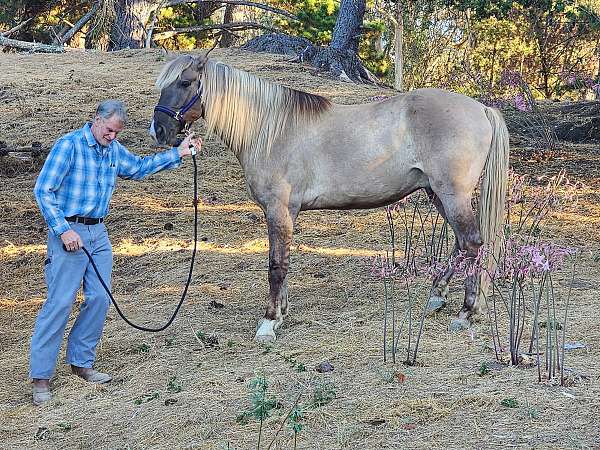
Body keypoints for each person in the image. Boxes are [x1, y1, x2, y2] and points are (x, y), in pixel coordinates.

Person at [30, 99, 201, 406]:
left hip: (98, 233)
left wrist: (178, 153)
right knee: (60, 303)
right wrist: (63, 229)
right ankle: (41, 377)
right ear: (96, 120)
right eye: (109, 130)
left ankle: (82, 362)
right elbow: (43, 190)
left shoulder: (113, 150)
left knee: (99, 298)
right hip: (69, 232)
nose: (112, 137)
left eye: (116, 133)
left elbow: (137, 168)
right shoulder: (68, 146)